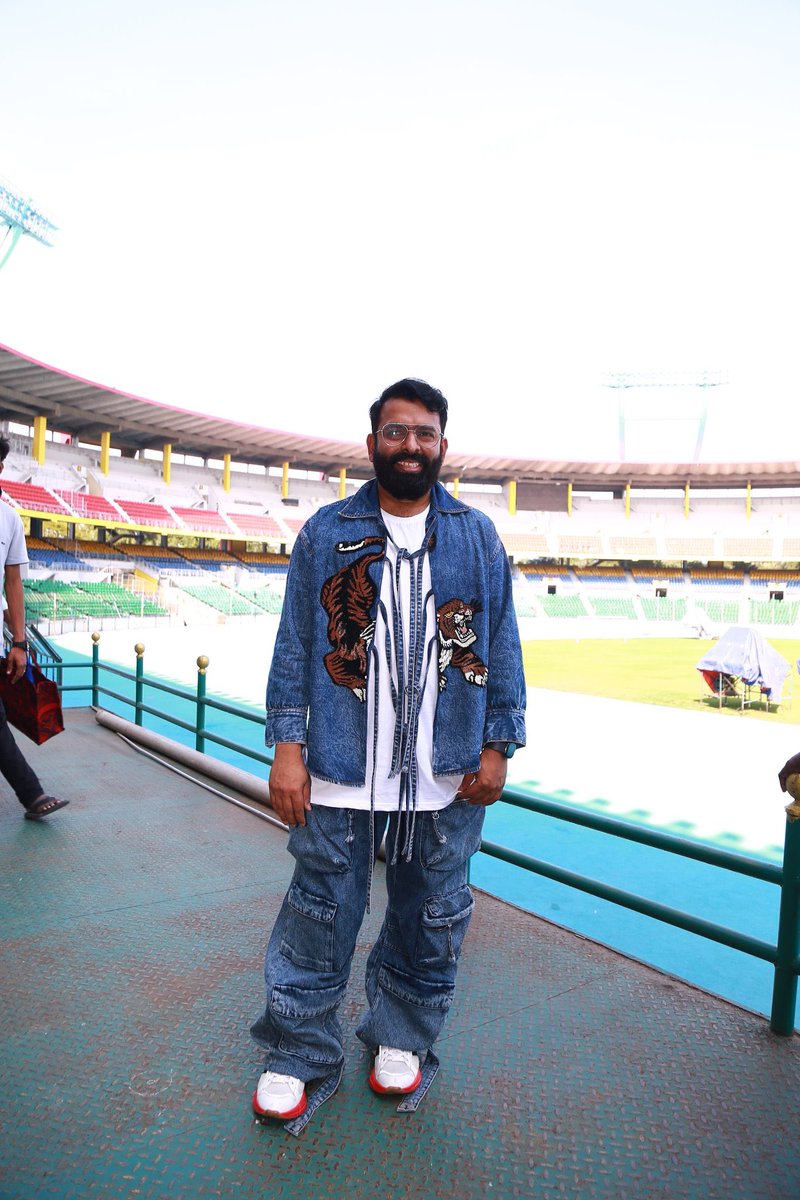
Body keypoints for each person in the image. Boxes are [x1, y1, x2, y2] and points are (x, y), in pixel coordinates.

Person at [250, 379, 526, 1126]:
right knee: (318, 914)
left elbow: (500, 642)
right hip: (340, 767)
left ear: (443, 444)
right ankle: (298, 1052)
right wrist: (287, 748)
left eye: (424, 433)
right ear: (372, 442)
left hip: (444, 772)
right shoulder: (326, 531)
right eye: (396, 432)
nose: (411, 445)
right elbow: (297, 645)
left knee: (430, 915)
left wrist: (499, 743)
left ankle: (401, 1037)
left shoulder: (475, 536)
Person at [0, 435, 68, 821]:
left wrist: (20, 643)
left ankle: (33, 795)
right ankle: (32, 794)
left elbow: (13, 583)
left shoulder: (9, 518)